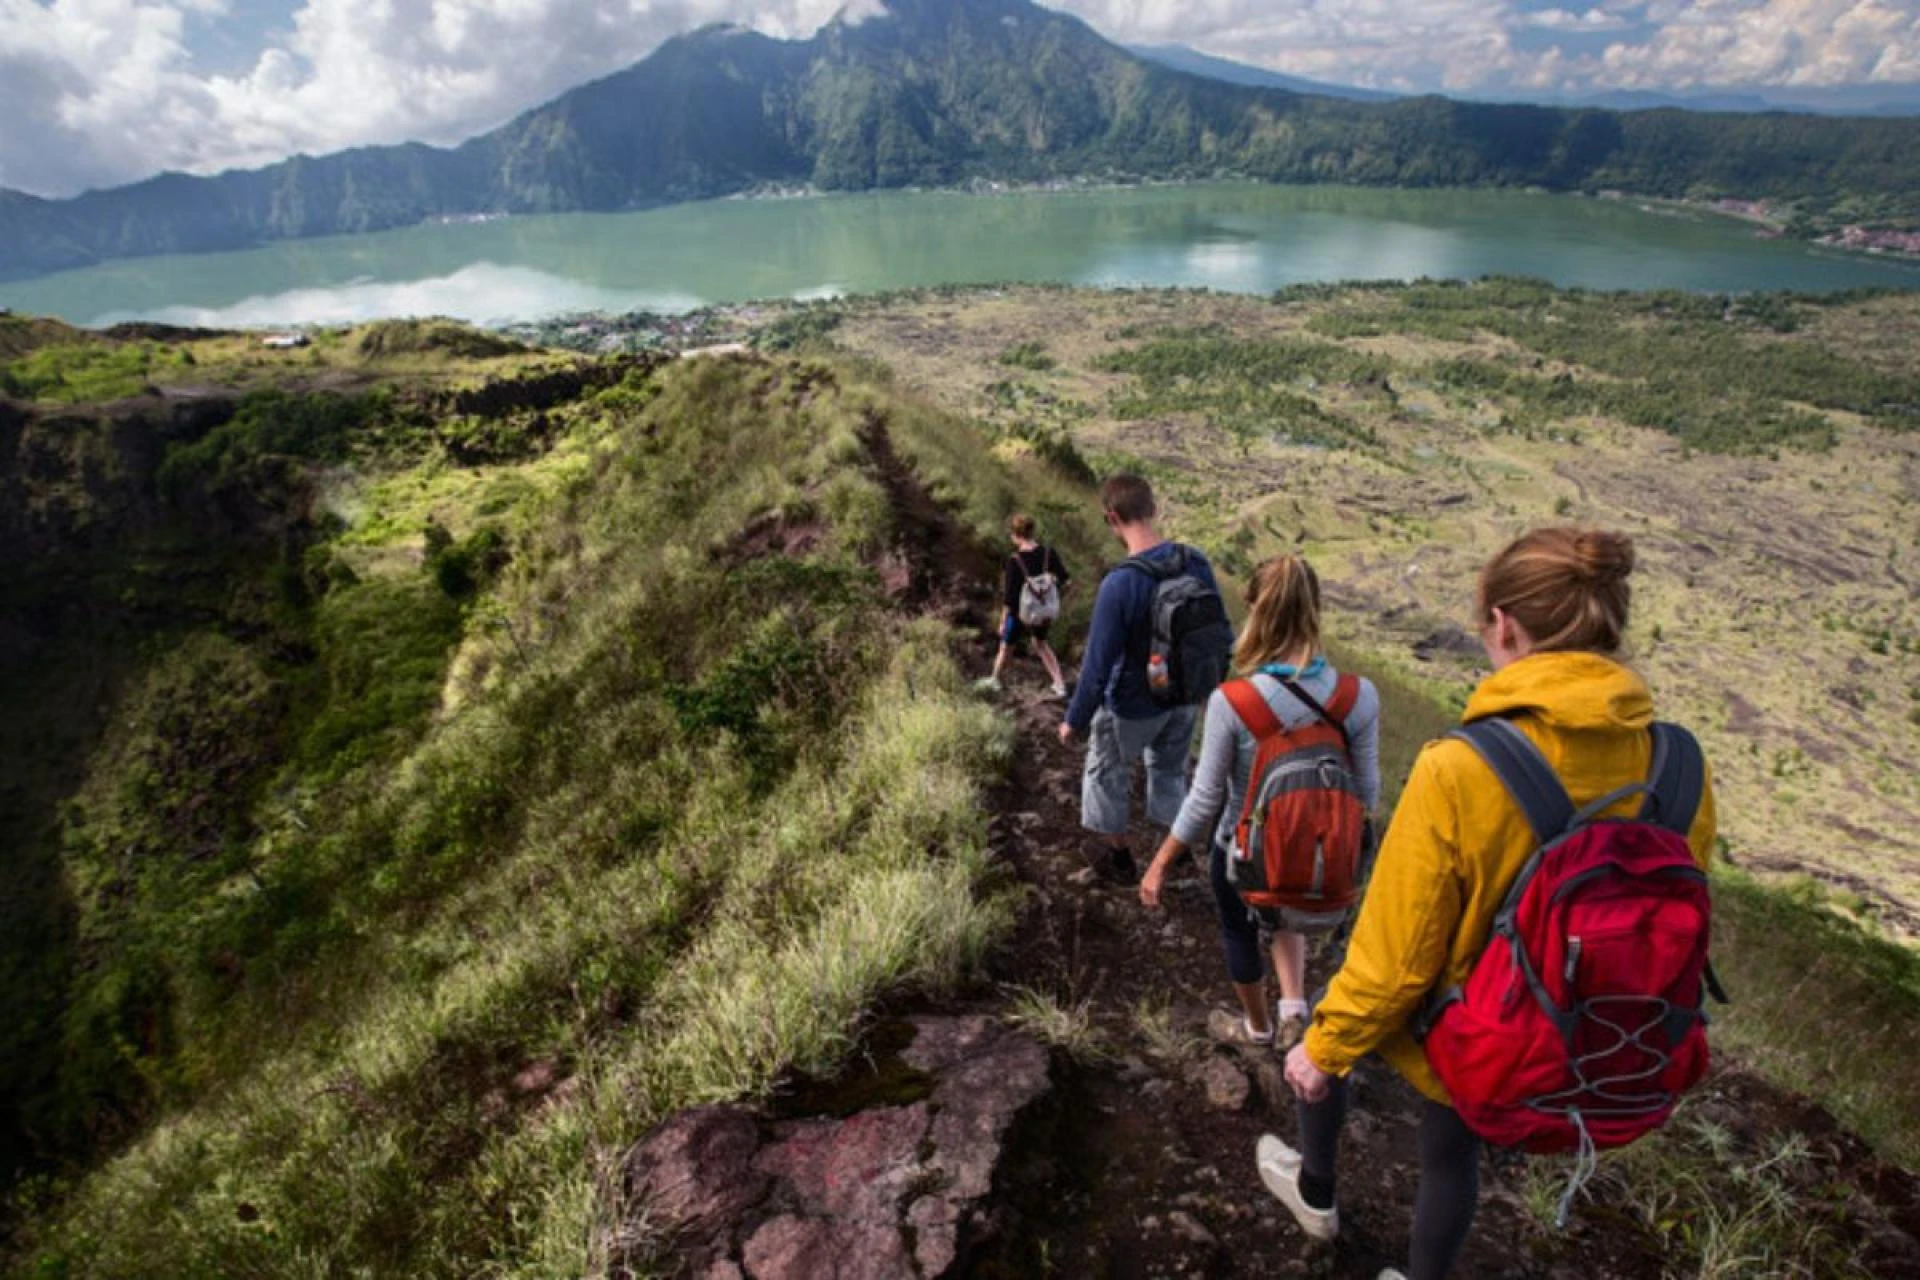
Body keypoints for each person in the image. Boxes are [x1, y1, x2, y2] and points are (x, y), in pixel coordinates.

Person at [1264, 528, 1717, 1280]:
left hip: (1473, 1035)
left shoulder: (1462, 769)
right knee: (1452, 1154)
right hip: (1595, 1043)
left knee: (1376, 1068)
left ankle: (1316, 1195)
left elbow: (1394, 961)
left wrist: (1325, 1049)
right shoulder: (1680, 766)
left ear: (1504, 625)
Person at [1138, 554, 1381, 1051]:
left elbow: (1205, 798)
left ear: (1256, 612)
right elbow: (1369, 794)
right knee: (1287, 902)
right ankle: (1295, 1007)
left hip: (1241, 854)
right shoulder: (1360, 697)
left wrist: (1161, 862)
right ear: (1314, 610)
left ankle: (1258, 1028)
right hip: (1314, 855)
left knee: (1240, 930)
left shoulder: (1234, 700)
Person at [1057, 475, 1220, 885]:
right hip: (1184, 698)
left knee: (1105, 772)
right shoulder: (1195, 562)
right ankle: (1177, 858)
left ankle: (1119, 858)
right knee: (1168, 771)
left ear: (1112, 517)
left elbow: (1098, 665)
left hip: (1131, 705)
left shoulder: (1120, 584)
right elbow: (1217, 634)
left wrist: (1073, 720)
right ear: (1154, 508)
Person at [977, 513, 1071, 697]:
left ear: (1015, 534)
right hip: (1043, 609)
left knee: (1006, 646)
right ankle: (1059, 683)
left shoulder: (1015, 561)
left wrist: (1003, 621)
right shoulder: (1048, 553)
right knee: (1041, 644)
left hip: (1021, 611)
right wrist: (1054, 595)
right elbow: (1066, 580)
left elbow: (1010, 597)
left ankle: (994, 679)